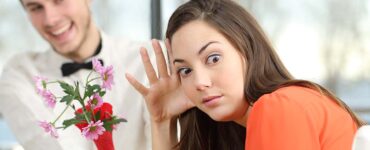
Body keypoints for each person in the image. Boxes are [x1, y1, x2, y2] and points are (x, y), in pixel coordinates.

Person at [125, 0, 367, 149]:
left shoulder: (279, 107)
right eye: (185, 71)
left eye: (213, 58)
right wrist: (162, 121)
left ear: (248, 50)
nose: (200, 82)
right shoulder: (245, 126)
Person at [0, 0, 151, 149]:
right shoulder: (20, 75)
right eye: (36, 7)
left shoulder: (148, 59)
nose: (50, 20)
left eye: (59, 1)